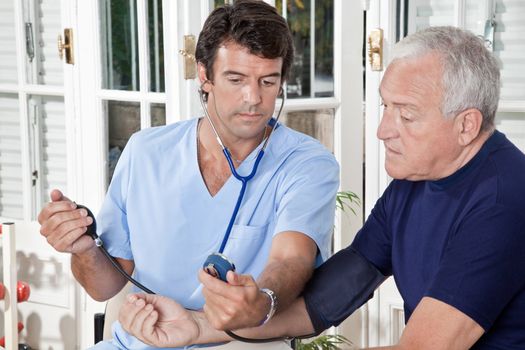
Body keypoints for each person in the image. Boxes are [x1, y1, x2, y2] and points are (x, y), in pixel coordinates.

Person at [118, 26, 525, 350]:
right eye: (385, 108)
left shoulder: (504, 201)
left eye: (407, 115)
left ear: (467, 125)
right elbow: (320, 306)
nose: (384, 131)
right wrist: (196, 326)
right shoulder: (414, 182)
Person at [37, 1, 339, 349]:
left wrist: (262, 299)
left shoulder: (306, 164)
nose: (253, 98)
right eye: (236, 79)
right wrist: (83, 249)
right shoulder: (145, 152)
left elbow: (291, 259)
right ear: (204, 76)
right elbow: (103, 286)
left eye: (268, 81)